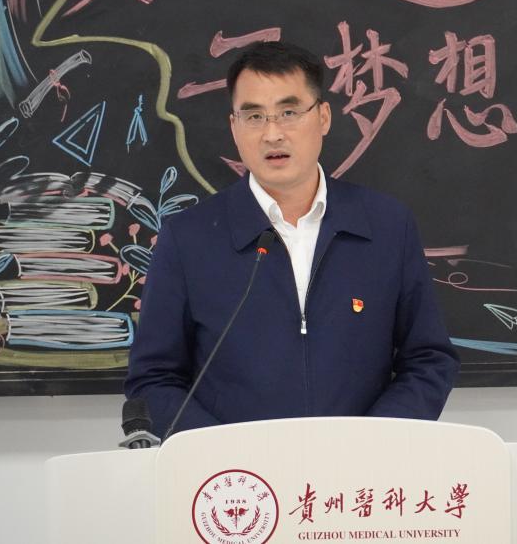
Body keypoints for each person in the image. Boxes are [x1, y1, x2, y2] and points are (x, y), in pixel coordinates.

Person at [124, 41, 460, 437]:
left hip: (360, 466)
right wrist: (224, 454)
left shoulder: (387, 226)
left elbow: (428, 359)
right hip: (235, 472)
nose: (272, 134)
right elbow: (154, 379)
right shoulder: (188, 238)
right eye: (254, 116)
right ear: (234, 127)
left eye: (288, 112)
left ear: (323, 117)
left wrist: (372, 442)